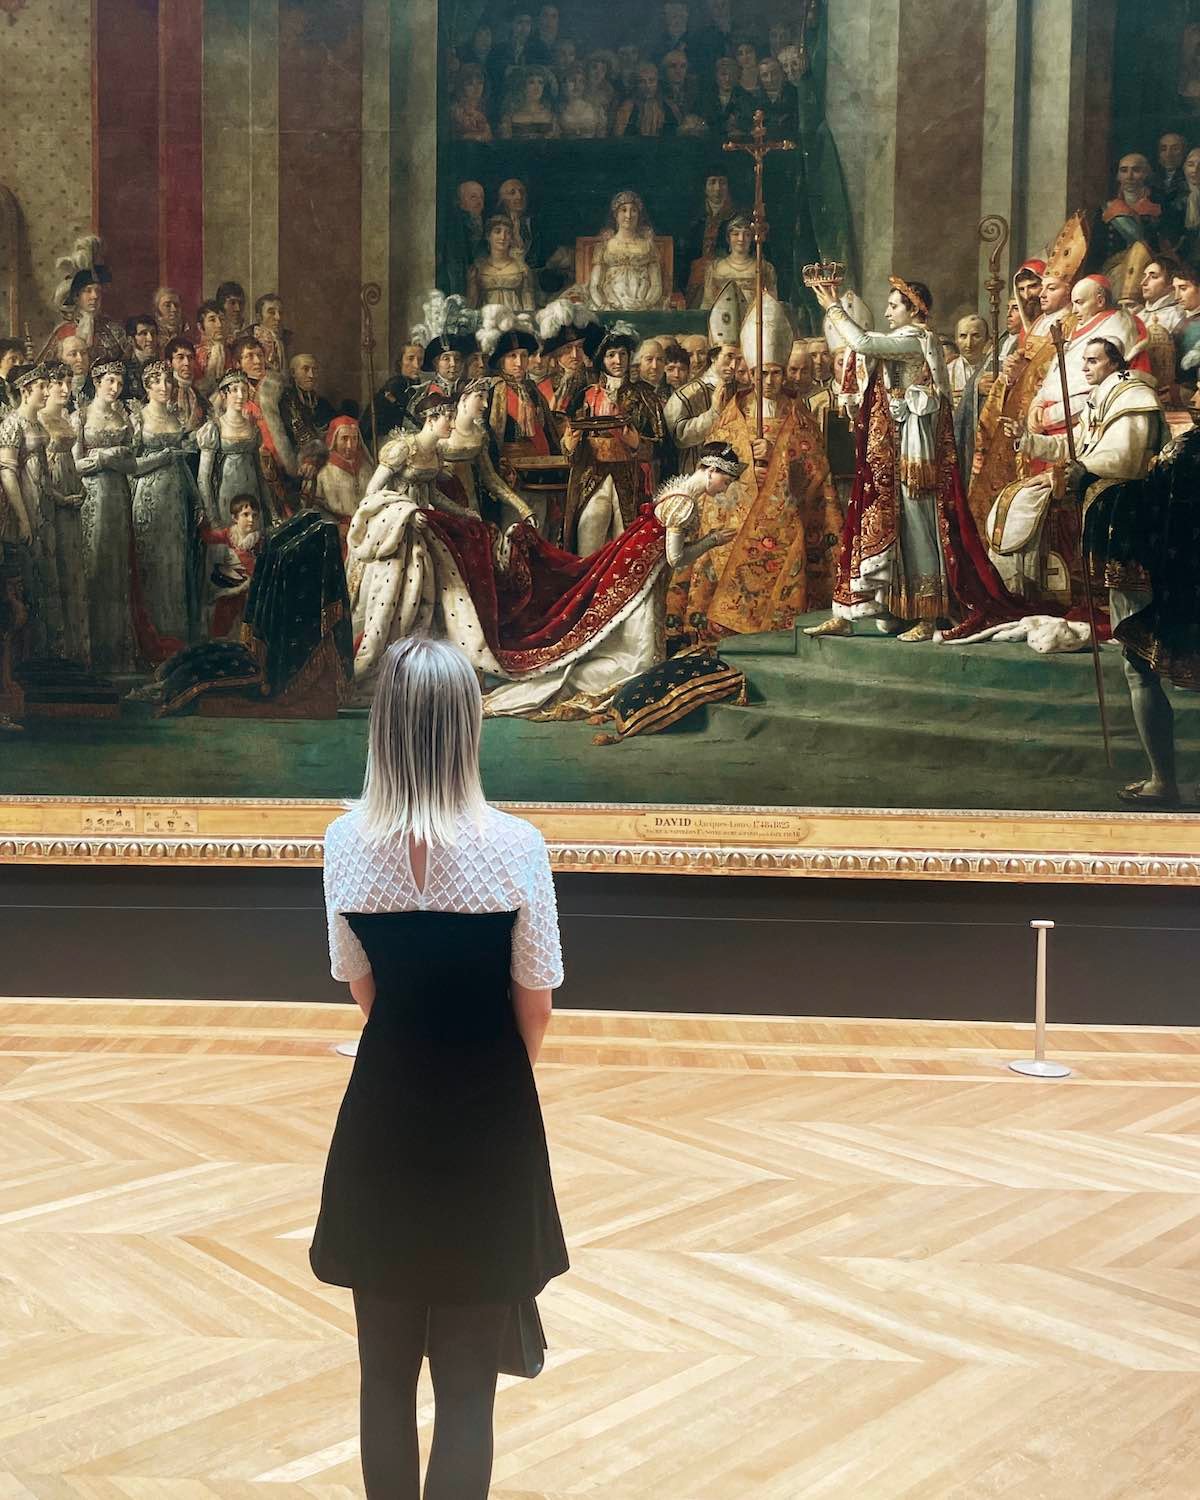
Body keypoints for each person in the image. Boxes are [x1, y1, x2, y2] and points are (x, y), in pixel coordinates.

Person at [312, 637, 568, 1499]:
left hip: (383, 1122)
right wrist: (488, 1074)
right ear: (468, 727)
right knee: (468, 1391)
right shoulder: (518, 846)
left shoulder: (344, 843)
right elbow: (535, 1004)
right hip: (488, 1130)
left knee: (381, 1382)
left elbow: (364, 989)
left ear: (383, 727)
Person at [807, 276, 1016, 642]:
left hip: (914, 453)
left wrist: (833, 306)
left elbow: (864, 342)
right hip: (888, 448)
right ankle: (858, 610)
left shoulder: (917, 338)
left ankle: (929, 614)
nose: (887, 312)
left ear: (915, 309)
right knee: (873, 522)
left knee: (919, 529)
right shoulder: (906, 340)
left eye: (894, 306)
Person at [989, 332, 1166, 610]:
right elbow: (1069, 445)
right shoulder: (1102, 395)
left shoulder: (1134, 396)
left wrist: (1080, 468)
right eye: (1083, 361)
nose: (1084, 367)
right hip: (1092, 477)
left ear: (1114, 363)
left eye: (1093, 361)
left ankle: (1060, 594)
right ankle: (1029, 594)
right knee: (1018, 496)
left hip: (1122, 489)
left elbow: (1125, 457)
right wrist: (1025, 438)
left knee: (1029, 501)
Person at [1085, 411, 1200, 806]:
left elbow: (1149, 506)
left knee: (1139, 671)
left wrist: (1092, 487)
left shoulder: (1184, 451)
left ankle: (1162, 781)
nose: (1196, 394)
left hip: (1178, 584)